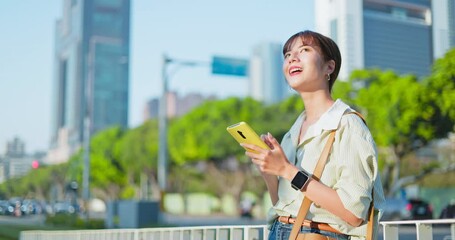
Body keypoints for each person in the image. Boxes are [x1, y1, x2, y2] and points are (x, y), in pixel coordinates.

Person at [241, 30, 385, 240]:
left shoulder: (347, 125)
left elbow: (354, 213)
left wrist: (287, 170)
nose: (292, 58)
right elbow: (284, 205)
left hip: (318, 234)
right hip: (280, 231)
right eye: (287, 55)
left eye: (304, 50)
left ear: (329, 67)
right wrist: (269, 172)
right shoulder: (292, 132)